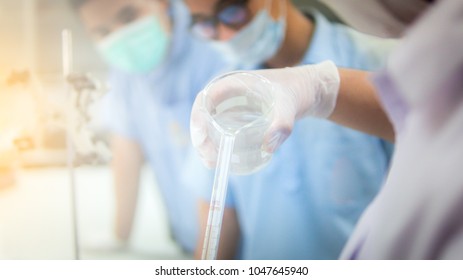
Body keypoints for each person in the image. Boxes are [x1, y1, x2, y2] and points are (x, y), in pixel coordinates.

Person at [191, 0, 463, 259]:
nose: (225, 35)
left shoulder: (378, 64)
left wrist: (319, 89)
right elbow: (218, 216)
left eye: (233, 11)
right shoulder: (223, 93)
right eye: (205, 24)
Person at [71, 0, 228, 255]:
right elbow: (126, 152)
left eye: (129, 16)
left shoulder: (213, 49)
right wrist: (119, 236)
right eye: (102, 32)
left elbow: (228, 190)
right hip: (189, 241)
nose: (121, 36)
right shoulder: (125, 70)